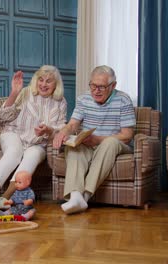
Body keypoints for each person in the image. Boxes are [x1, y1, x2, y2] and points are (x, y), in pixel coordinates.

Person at [52, 65, 136, 214]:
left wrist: (98, 140)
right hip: (89, 144)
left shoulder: (123, 100)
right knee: (73, 146)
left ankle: (85, 196)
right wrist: (62, 132)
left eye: (101, 87)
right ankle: (75, 195)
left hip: (116, 146)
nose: (96, 91)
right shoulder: (83, 99)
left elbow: (127, 135)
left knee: (110, 142)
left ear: (113, 86)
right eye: (93, 86)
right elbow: (72, 125)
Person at [0, 65, 67, 209]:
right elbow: (5, 116)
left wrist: (48, 130)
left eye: (48, 81)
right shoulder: (26, 92)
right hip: (13, 134)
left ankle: (5, 197)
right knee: (15, 152)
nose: (43, 84)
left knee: (32, 156)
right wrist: (14, 93)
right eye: (41, 80)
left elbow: (61, 128)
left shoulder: (61, 102)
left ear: (56, 84)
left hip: (38, 143)